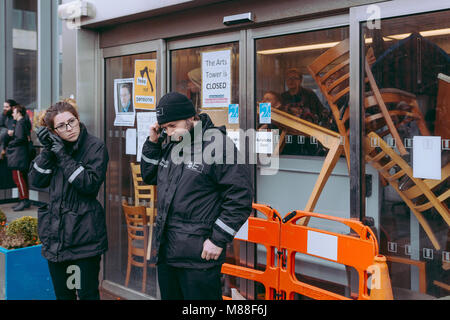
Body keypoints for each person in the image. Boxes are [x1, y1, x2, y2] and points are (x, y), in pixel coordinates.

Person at [140, 92, 253, 300]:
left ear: (191, 118)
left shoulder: (219, 145)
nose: (170, 132)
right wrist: (153, 142)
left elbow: (240, 197)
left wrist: (218, 240)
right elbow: (149, 175)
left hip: (198, 257)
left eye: (173, 126)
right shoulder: (172, 142)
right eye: (165, 128)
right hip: (168, 253)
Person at [29, 101, 109, 300]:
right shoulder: (54, 149)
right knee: (64, 296)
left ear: (78, 119)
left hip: (84, 237)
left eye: (72, 121)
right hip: (56, 238)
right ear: (53, 131)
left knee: (87, 294)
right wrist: (48, 151)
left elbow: (89, 185)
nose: (69, 128)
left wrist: (62, 155)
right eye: (61, 126)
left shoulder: (95, 147)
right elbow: (35, 180)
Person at [5, 104, 31, 211]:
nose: (12, 114)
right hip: (21, 156)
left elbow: (20, 138)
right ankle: (23, 200)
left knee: (18, 178)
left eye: (14, 112)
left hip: (18, 156)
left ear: (19, 113)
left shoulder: (20, 123)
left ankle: (24, 200)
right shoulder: (22, 123)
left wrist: (10, 143)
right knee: (20, 178)